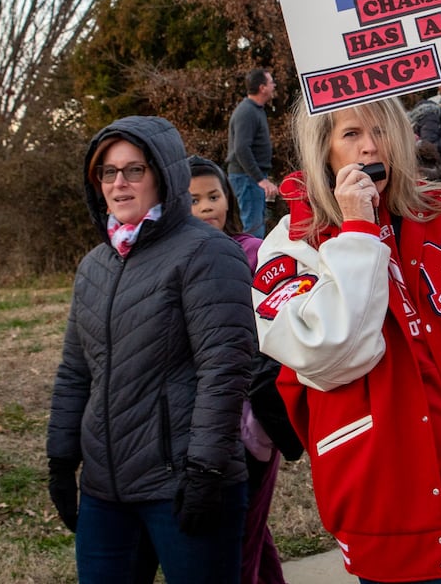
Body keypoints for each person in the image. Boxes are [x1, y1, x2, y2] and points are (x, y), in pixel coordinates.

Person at [252, 97, 441, 584]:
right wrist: (359, 230)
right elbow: (332, 353)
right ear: (324, 151)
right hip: (389, 495)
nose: (369, 147)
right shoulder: (291, 242)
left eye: (381, 131)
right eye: (351, 135)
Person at [48, 117, 257, 584]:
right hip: (106, 490)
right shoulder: (95, 265)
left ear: (163, 174)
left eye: (133, 170)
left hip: (185, 484)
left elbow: (224, 369)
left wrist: (204, 470)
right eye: (107, 172)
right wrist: (61, 461)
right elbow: (75, 372)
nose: (119, 183)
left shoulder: (206, 252)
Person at [183, 156, 287, 584]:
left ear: (230, 198)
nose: (207, 207)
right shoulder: (170, 261)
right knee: (248, 533)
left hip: (252, 417)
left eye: (214, 195)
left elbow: (279, 327)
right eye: (194, 200)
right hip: (196, 421)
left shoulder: (254, 253)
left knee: (245, 531)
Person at [227, 68, 279, 239]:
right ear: (262, 87)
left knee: (257, 225)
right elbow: (241, 148)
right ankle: (252, 265)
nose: (274, 85)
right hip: (246, 179)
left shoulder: (256, 109)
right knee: (253, 229)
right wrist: (260, 179)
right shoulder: (247, 112)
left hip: (251, 178)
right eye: (271, 82)